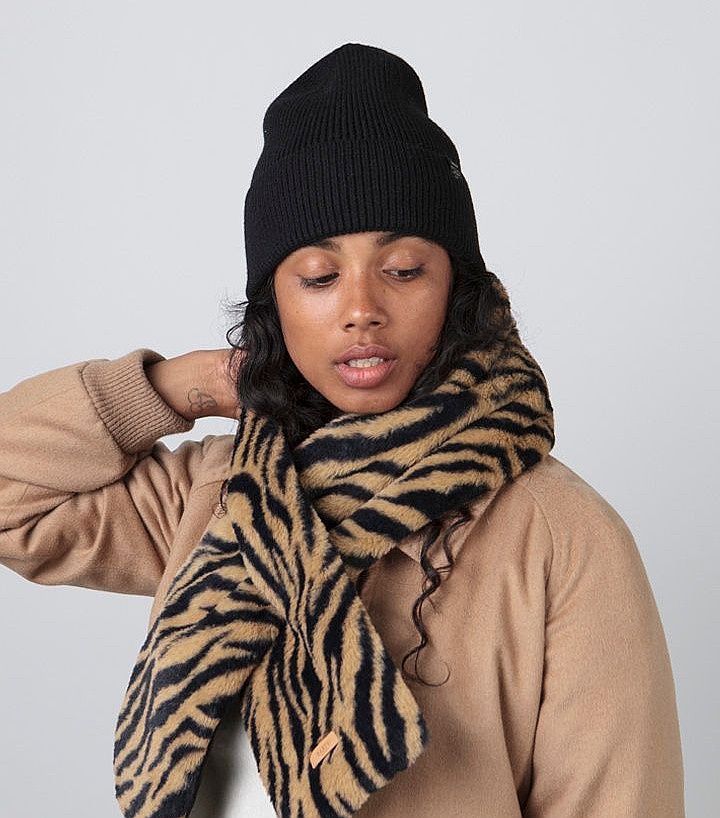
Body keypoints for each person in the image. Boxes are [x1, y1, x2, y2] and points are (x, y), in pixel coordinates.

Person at [0, 42, 684, 818]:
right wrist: (186, 385)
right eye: (319, 277)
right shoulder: (221, 495)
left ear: (457, 288)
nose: (361, 308)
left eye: (404, 270)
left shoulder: (561, 536)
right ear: (275, 304)